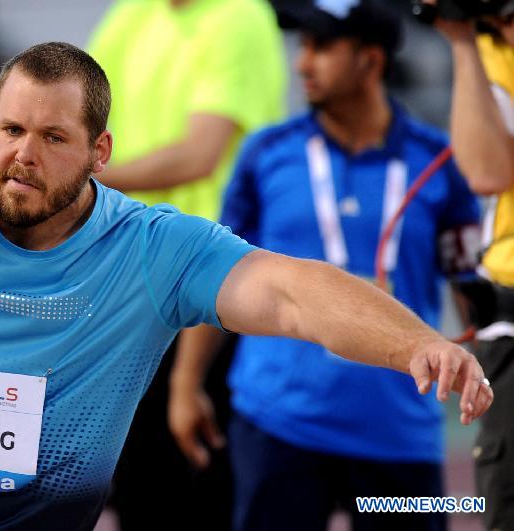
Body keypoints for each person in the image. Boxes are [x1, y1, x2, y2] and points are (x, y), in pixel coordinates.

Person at [0, 41, 491, 531]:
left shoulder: (149, 249)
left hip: (27, 523)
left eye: (54, 137)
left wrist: (415, 340)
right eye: (9, 129)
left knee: (420, 516)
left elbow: (289, 290)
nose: (23, 155)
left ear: (100, 150)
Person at [168, 1, 484, 529]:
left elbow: (470, 291)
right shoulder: (265, 154)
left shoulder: (440, 163)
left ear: (370, 59)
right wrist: (186, 384)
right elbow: (217, 277)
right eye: (302, 46)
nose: (302, 63)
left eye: (321, 47)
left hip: (400, 432)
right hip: (279, 424)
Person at [85, 0, 287, 526]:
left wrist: (76, 184)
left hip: (215, 285)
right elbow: (79, 121)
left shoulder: (241, 16)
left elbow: (200, 155)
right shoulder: (133, 13)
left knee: (198, 491)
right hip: (132, 280)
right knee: (140, 487)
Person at [428, 3, 514, 529]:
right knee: (499, 504)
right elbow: (485, 170)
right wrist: (462, 38)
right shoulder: (486, 49)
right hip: (507, 310)